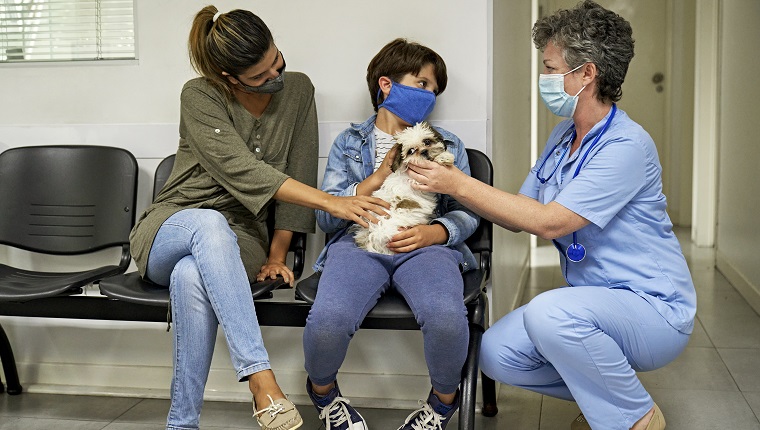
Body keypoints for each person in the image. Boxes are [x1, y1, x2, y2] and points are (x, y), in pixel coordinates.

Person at [406, 2, 696, 430]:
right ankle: (617, 398)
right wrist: (453, 181)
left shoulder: (626, 146)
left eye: (550, 67)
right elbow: (518, 214)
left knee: (549, 313)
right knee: (496, 353)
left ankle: (636, 418)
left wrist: (457, 185)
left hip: (653, 308)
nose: (543, 79)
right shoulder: (564, 134)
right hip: (592, 302)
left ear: (586, 74)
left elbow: (549, 222)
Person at [128, 6, 388, 430]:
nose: (275, 77)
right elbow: (245, 171)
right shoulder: (199, 96)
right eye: (261, 75)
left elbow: (298, 170)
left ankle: (181, 425)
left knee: (193, 275)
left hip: (240, 235)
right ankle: (260, 379)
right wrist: (332, 202)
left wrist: (277, 253)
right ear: (231, 78)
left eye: (277, 61)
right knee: (207, 225)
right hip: (172, 224)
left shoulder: (299, 90)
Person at [302, 38, 480, 430]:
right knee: (328, 318)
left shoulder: (448, 145)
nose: (430, 95)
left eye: (434, 89)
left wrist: (436, 233)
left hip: (425, 247)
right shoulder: (348, 144)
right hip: (360, 243)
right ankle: (325, 395)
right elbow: (328, 219)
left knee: (447, 318)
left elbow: (468, 213)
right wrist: (379, 176)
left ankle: (440, 407)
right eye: (422, 84)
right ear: (386, 85)